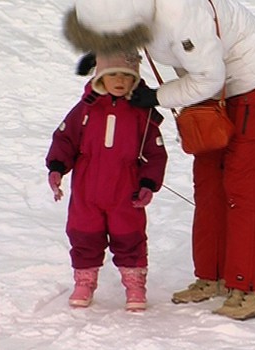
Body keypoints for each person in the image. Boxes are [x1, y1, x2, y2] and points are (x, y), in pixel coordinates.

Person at [63, 0, 255, 320]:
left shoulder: (181, 15)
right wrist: (103, 58)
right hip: (202, 79)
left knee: (241, 184)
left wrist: (156, 97)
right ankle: (211, 277)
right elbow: (127, 41)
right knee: (207, 181)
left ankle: (244, 289)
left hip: (247, 78)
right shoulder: (126, 11)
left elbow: (209, 77)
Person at [46, 50, 168, 311]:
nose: (120, 80)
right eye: (112, 74)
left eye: (126, 75)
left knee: (130, 236)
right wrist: (57, 167)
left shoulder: (141, 113)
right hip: (87, 188)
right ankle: (85, 282)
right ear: (100, 75)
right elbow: (65, 139)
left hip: (126, 189)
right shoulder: (86, 108)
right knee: (84, 234)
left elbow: (155, 153)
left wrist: (148, 184)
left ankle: (135, 285)